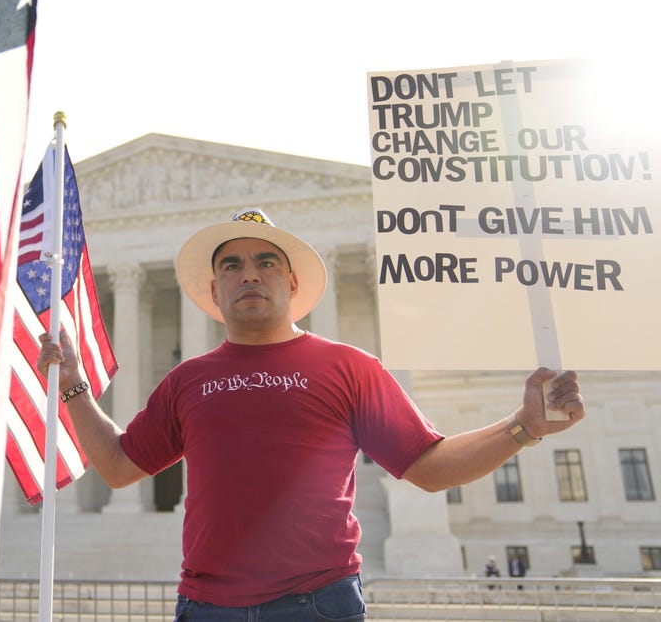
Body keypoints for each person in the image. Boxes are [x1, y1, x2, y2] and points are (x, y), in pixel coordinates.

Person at [37, 208, 585, 621]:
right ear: (214, 291)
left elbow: (429, 465)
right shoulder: (187, 379)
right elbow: (117, 467)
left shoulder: (348, 367)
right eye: (232, 266)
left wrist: (524, 427)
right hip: (205, 605)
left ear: (292, 283)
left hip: (317, 602)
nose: (248, 274)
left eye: (265, 262)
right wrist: (74, 388)